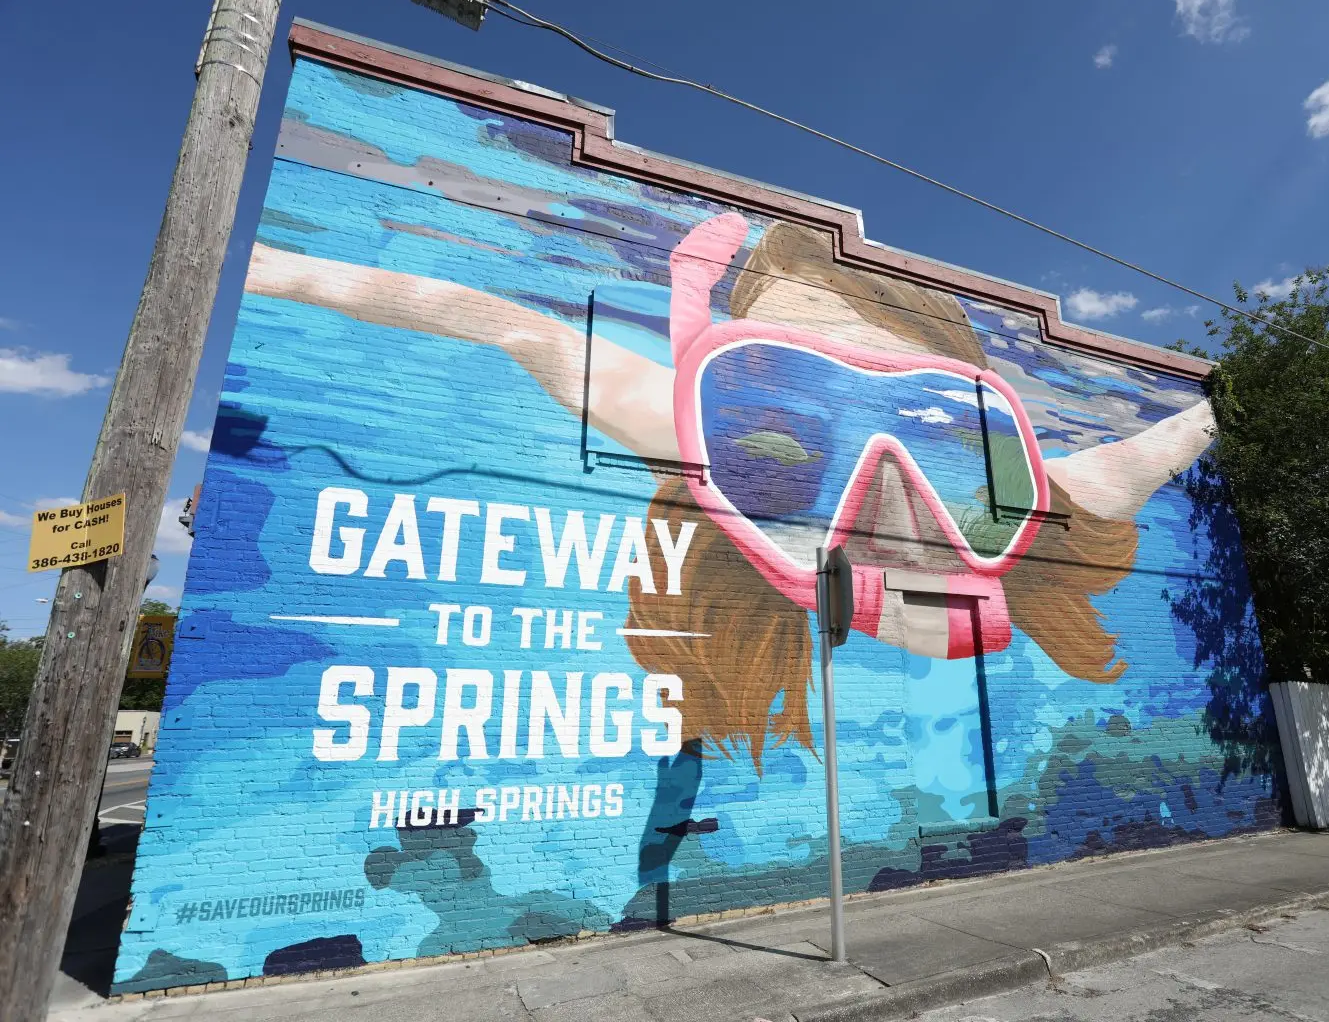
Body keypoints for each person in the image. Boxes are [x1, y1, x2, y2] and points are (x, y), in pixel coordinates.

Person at [245, 212, 1216, 765]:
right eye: (798, 418)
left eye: (930, 430)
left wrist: (1221, 407)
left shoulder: (1013, 501)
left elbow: (1139, 459)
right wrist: (268, 265)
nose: (881, 492)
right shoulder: (698, 429)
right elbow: (509, 325)